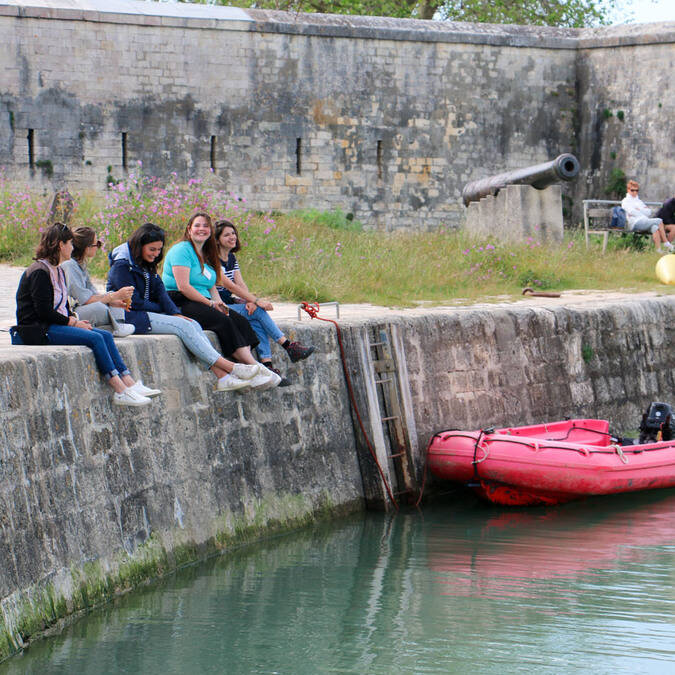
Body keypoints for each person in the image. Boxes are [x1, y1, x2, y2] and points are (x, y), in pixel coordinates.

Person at [109, 223, 267, 392]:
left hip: (147, 312)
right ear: (139, 246)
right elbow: (135, 302)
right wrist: (164, 311)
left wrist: (174, 312)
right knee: (182, 325)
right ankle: (231, 367)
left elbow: (161, 291)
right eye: (152, 250)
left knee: (192, 323)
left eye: (158, 250)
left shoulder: (145, 262)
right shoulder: (122, 266)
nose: (156, 255)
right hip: (130, 315)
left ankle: (223, 377)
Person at [14, 223, 158, 407]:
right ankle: (120, 390)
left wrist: (74, 319)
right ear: (60, 245)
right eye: (70, 244)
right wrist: (73, 323)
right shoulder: (39, 272)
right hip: (37, 330)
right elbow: (43, 312)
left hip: (52, 324)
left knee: (104, 335)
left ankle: (129, 383)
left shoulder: (56, 269)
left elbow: (61, 306)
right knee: (95, 339)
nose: (73, 248)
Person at [162, 213, 280, 389]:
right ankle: (255, 368)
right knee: (223, 321)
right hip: (180, 300)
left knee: (238, 320)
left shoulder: (207, 254)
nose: (201, 229)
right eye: (197, 225)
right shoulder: (182, 250)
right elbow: (183, 286)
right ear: (189, 229)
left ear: (210, 231)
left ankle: (252, 370)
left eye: (205, 226)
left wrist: (220, 304)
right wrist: (211, 304)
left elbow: (211, 285)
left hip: (204, 300)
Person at [215, 219, 315, 384]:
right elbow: (230, 286)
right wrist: (257, 301)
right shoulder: (213, 260)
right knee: (258, 312)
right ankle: (288, 346)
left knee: (254, 314)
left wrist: (250, 301)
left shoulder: (231, 258)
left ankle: (267, 364)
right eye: (226, 235)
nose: (232, 237)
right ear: (217, 239)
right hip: (219, 305)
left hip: (232, 302)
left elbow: (240, 284)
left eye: (233, 233)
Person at [61, 226, 136, 337]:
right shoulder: (70, 265)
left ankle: (117, 325)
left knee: (112, 296)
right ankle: (114, 328)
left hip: (82, 307)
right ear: (87, 247)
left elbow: (93, 294)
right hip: (73, 313)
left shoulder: (81, 264)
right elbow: (85, 299)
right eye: (97, 244)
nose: (98, 247)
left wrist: (112, 300)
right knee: (101, 307)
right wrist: (113, 297)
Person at [621, 180, 674, 253]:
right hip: (634, 223)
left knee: (655, 227)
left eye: (636, 190)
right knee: (659, 221)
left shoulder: (638, 201)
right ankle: (666, 243)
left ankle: (658, 250)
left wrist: (638, 210)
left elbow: (648, 212)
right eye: (632, 190)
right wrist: (641, 211)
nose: (634, 192)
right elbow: (632, 212)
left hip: (644, 221)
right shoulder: (625, 201)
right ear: (628, 190)